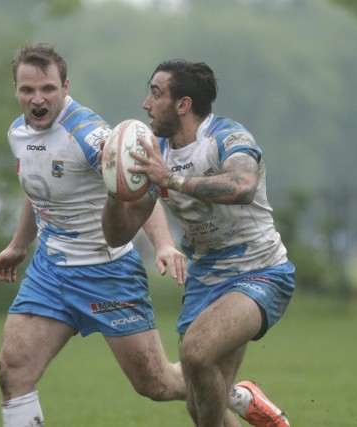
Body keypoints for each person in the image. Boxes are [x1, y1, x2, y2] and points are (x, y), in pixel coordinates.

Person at [0, 44, 288, 427]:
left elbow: (149, 187)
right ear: (15, 90)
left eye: (47, 88)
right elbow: (42, 189)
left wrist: (163, 241)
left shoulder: (91, 135)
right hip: (52, 269)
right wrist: (19, 245)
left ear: (65, 86)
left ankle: (230, 393)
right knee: (11, 370)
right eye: (27, 90)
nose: (37, 99)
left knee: (161, 383)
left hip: (110, 272)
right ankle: (224, 390)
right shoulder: (19, 132)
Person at [101, 59, 295, 427]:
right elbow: (117, 234)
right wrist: (114, 189)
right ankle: (243, 397)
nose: (146, 104)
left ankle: (236, 394)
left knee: (196, 353)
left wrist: (170, 180)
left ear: (183, 104)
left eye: (156, 94)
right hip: (206, 277)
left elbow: (242, 187)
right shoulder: (156, 150)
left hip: (260, 271)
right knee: (199, 404)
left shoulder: (228, 138)